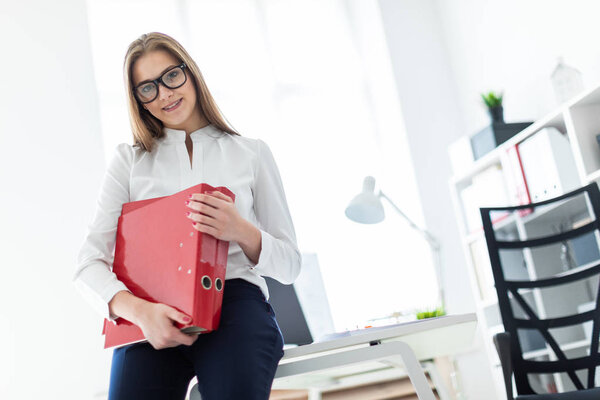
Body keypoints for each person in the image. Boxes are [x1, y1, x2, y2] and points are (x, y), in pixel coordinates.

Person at [73, 31, 301, 400]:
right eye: (147, 88)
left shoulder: (251, 154)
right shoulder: (128, 162)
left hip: (235, 305)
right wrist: (141, 313)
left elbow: (290, 265)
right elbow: (87, 265)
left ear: (190, 73)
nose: (164, 93)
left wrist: (241, 231)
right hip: (150, 315)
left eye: (171, 76)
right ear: (139, 101)